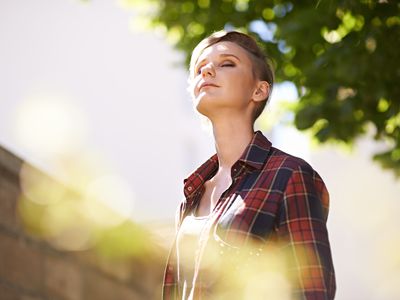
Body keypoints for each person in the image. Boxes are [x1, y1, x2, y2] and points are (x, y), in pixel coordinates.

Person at [163, 30, 336, 300]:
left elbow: (311, 289)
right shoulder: (191, 196)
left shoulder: (289, 175)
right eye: (199, 68)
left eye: (227, 63)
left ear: (259, 90)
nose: (207, 71)